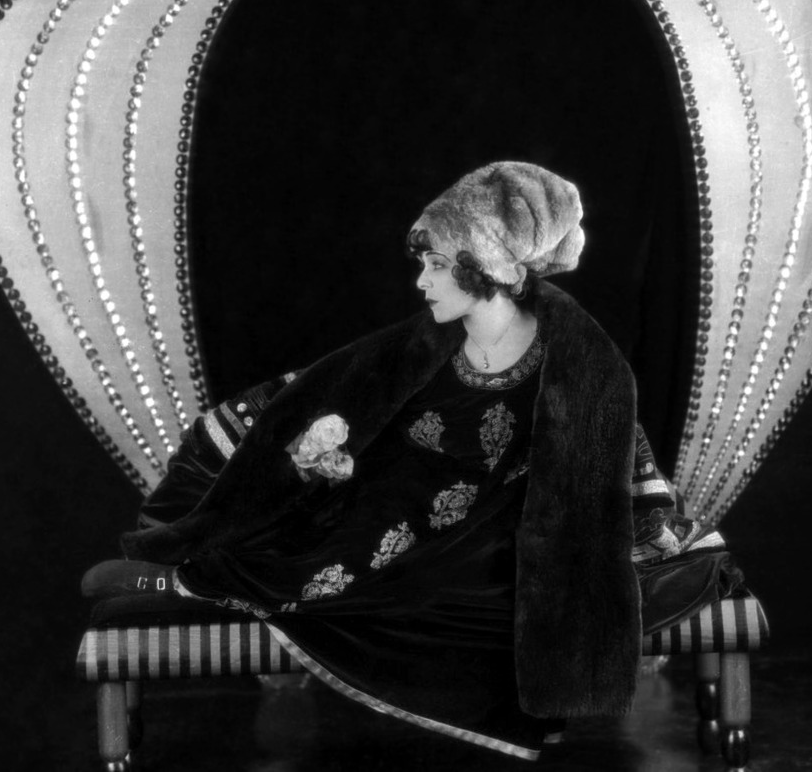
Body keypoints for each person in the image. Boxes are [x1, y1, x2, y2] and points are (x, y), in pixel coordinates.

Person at [86, 161, 739, 761]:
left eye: (437, 264)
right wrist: (324, 456)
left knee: (453, 589)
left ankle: (186, 581)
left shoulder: (582, 360)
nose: (421, 280)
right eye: (424, 262)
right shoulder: (422, 342)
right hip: (392, 509)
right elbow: (331, 394)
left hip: (499, 534)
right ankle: (181, 577)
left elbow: (608, 459)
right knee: (317, 543)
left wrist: (647, 532)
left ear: (486, 264)